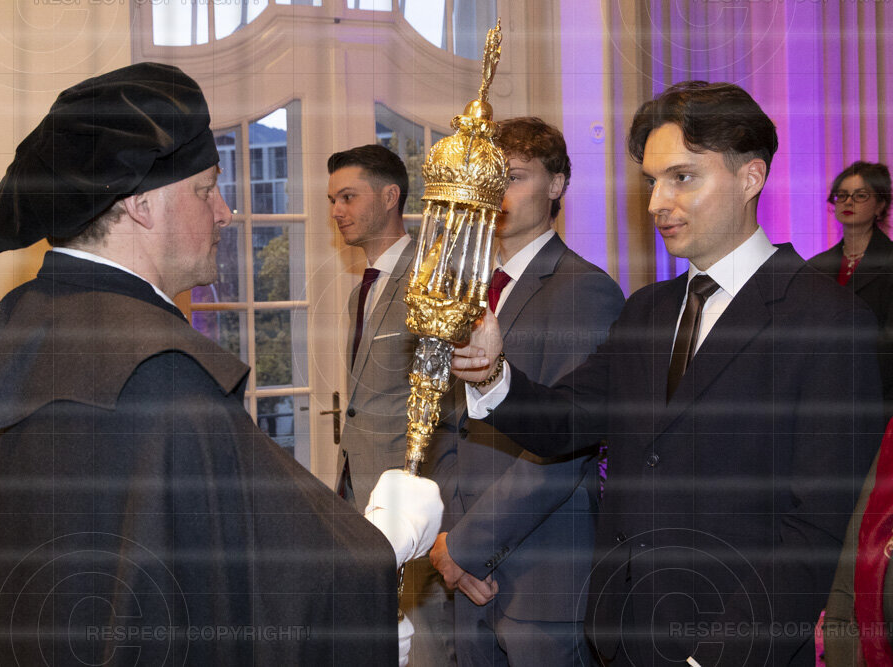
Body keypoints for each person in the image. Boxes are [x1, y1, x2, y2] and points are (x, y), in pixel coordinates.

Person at [0, 62, 442, 667]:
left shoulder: (32, 326)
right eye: (207, 189)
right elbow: (237, 587)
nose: (225, 212)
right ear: (141, 205)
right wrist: (385, 542)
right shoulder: (159, 369)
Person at [451, 81, 883, 665]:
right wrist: (489, 373)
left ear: (750, 178)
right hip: (626, 635)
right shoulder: (648, 310)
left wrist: (716, 656)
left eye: (682, 177)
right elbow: (566, 422)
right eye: (652, 181)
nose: (657, 202)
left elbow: (817, 528)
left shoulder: (828, 321)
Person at [427, 117, 624, 665]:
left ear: (557, 184)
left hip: (542, 576)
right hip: (464, 568)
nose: (498, 194)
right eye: (489, 180)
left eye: (513, 177)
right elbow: (448, 425)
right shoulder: (464, 288)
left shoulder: (585, 289)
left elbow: (564, 446)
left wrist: (467, 546)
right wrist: (449, 541)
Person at [327, 144, 456, 665]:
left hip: (414, 498)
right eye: (333, 200)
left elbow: (450, 399)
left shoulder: (432, 278)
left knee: (425, 642)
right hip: (358, 493)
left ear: (389, 197)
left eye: (348, 197)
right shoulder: (360, 291)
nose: (337, 210)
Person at [809, 161, 893, 418]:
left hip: (877, 395)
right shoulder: (815, 266)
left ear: (880, 205)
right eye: (842, 195)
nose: (848, 202)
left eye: (860, 196)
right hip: (823, 394)